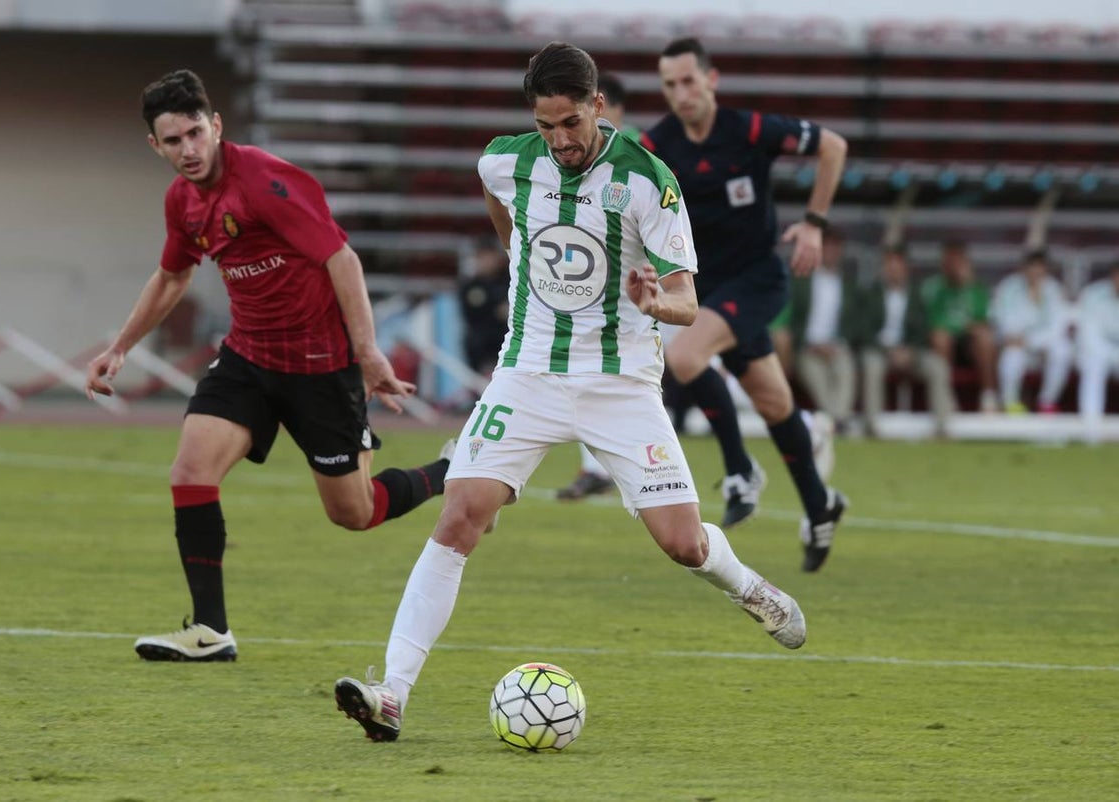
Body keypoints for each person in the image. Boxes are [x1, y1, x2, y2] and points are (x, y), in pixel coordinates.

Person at [334, 42, 808, 743]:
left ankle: (748, 587)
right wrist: (517, 253)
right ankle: (392, 694)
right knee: (460, 517)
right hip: (527, 371)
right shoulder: (505, 159)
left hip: (619, 383)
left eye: (571, 124)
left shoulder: (648, 180)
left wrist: (655, 302)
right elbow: (503, 206)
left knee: (681, 544)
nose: (559, 141)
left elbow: (687, 298)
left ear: (598, 106)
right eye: (546, 125)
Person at [84, 69, 451, 662]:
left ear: (216, 125)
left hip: (320, 367)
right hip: (248, 359)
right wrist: (121, 346)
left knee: (354, 513)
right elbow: (174, 274)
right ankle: (210, 631)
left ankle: (451, 472)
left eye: (196, 134)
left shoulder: (266, 182)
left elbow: (342, 259)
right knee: (189, 472)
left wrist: (368, 352)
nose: (188, 150)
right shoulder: (183, 200)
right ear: (156, 145)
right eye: (173, 141)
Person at [645, 36, 848, 571]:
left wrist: (814, 224)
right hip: (709, 289)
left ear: (712, 80)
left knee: (684, 358)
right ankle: (820, 506)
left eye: (689, 81)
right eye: (670, 85)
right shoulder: (658, 143)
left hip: (758, 279)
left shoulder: (749, 129)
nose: (681, 93)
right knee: (775, 404)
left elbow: (834, 146)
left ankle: (740, 470)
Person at [555, 72, 633, 501]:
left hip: (641, 287)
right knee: (590, 367)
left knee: (693, 371)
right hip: (608, 286)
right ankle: (596, 467)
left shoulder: (634, 152)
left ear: (605, 107)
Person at [857, 244, 954, 438]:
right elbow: (863, 331)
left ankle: (943, 426)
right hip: (881, 351)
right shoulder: (870, 294)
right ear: (883, 268)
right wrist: (888, 351)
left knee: (937, 366)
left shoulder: (917, 294)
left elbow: (922, 330)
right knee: (871, 365)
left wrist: (910, 351)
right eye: (889, 265)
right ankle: (871, 425)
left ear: (906, 268)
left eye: (897, 265)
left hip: (911, 352)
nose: (893, 270)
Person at [791, 228, 859, 432]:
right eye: (827, 246)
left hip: (837, 346)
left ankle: (837, 420)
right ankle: (837, 421)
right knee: (816, 375)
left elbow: (853, 322)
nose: (831, 251)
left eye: (835, 246)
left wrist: (837, 343)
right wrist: (809, 344)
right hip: (807, 348)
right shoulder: (802, 280)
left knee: (846, 367)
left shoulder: (848, 285)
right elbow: (792, 318)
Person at [989, 249, 1073, 414]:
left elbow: (1057, 327)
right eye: (1031, 267)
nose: (1035, 271)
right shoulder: (1008, 287)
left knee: (1063, 350)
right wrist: (1015, 337)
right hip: (1016, 344)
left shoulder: (1054, 289)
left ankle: (1047, 402)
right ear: (1023, 268)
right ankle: (1010, 403)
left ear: (1045, 269)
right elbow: (1002, 319)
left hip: (1042, 348)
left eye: (1039, 267)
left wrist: (1031, 340)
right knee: (1011, 356)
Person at [920, 239, 998, 412]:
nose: (953, 265)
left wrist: (967, 287)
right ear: (943, 263)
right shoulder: (933, 287)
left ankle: (988, 398)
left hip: (969, 346)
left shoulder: (976, 287)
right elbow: (932, 321)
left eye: (957, 260)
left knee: (984, 337)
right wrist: (962, 326)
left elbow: (982, 320)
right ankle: (946, 399)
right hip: (943, 345)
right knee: (941, 337)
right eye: (950, 261)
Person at [1076, 262, 1119, 444]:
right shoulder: (1092, 295)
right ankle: (1091, 432)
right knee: (1094, 365)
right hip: (1094, 351)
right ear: (1112, 276)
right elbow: (1089, 336)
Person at [458, 238, 510, 379]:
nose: (486, 261)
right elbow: (472, 316)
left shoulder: (509, 280)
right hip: (482, 348)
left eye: (489, 256)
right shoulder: (471, 286)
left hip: (507, 344)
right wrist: (497, 312)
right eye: (481, 257)